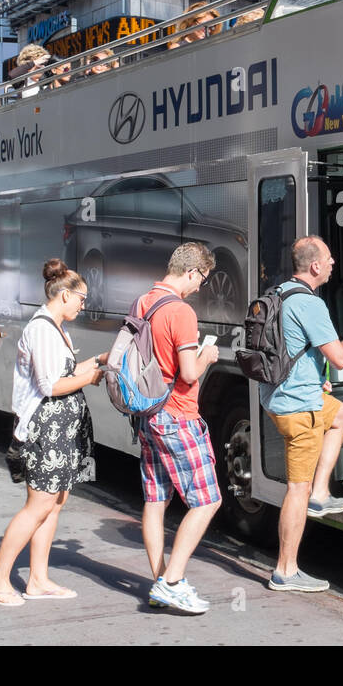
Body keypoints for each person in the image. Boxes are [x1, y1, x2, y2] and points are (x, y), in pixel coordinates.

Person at [0, 259, 105, 606]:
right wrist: (92, 377)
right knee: (38, 506)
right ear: (64, 295)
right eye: (81, 298)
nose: (84, 304)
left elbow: (65, 371)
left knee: (54, 504)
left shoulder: (55, 327)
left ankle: (37, 579)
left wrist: (97, 361)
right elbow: (50, 385)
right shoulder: (42, 330)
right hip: (45, 428)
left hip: (60, 429)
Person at [260, 236, 343, 592]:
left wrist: (312, 377)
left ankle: (321, 493)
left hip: (281, 396)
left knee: (341, 413)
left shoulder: (279, 292)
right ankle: (285, 571)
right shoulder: (310, 305)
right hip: (299, 408)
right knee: (297, 488)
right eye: (328, 258)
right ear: (314, 266)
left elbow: (289, 347)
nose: (333, 262)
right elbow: (340, 357)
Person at [131, 243, 221, 614]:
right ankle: (172, 581)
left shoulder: (144, 302)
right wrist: (207, 356)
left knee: (156, 500)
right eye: (203, 279)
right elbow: (187, 372)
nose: (201, 287)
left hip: (148, 414)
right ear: (191, 272)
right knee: (207, 500)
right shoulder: (181, 312)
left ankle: (159, 581)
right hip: (178, 416)